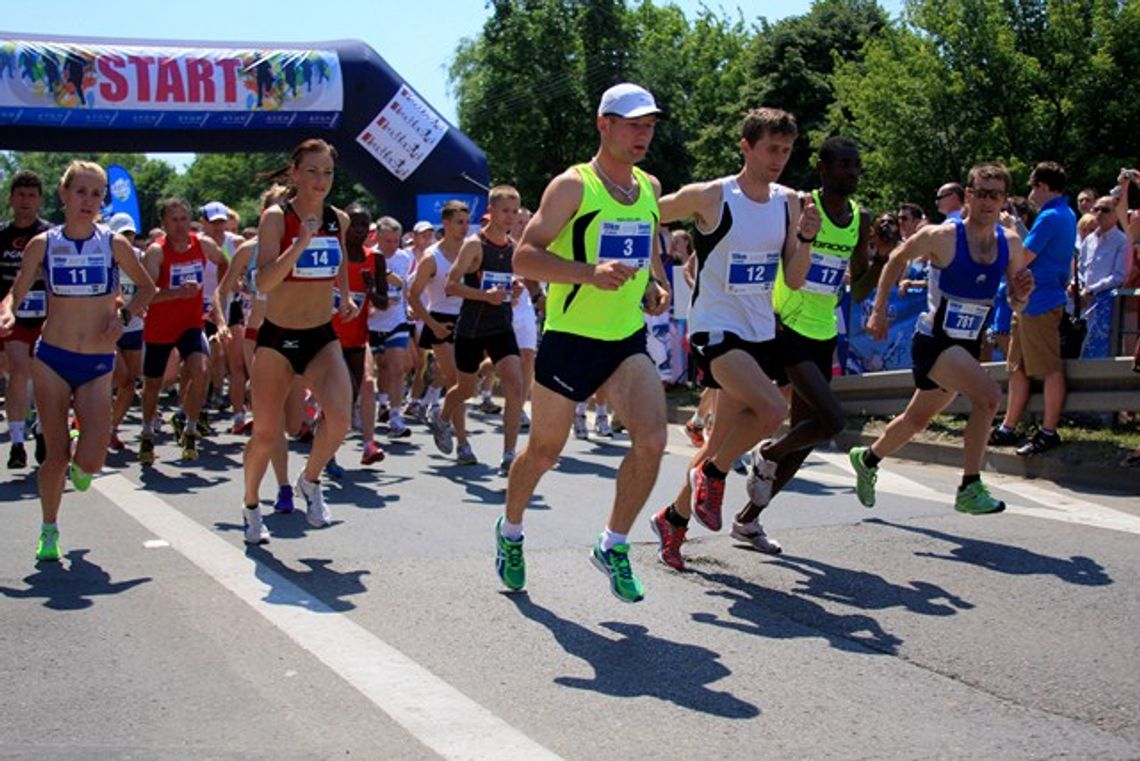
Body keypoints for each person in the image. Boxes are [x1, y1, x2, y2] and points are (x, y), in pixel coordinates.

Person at [495, 82, 672, 603]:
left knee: (653, 440)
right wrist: (588, 274)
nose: (644, 134)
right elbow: (524, 258)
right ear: (604, 125)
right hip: (570, 338)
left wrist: (656, 284)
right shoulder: (572, 186)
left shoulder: (650, 187)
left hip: (625, 340)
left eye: (650, 125)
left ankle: (613, 543)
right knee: (545, 450)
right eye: (634, 124)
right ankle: (510, 532)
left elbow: (650, 252)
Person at [645, 108, 819, 570]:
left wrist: (806, 238)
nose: (779, 159)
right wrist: (651, 273)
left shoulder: (789, 202)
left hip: (760, 331)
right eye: (770, 149)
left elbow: (796, 279)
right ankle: (714, 475)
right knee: (773, 410)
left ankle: (672, 521)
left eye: (786, 150)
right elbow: (643, 215)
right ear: (746, 146)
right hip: (715, 328)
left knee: (717, 442)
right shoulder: (713, 196)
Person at [721, 136, 880, 563]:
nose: (851, 172)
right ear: (823, 169)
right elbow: (771, 256)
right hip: (785, 325)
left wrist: (881, 257)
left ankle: (748, 518)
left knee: (806, 438)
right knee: (830, 420)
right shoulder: (800, 205)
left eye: (855, 165)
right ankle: (766, 452)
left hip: (822, 329)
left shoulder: (859, 218)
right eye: (843, 165)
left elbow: (859, 287)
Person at [850, 161, 1034, 515]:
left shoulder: (1010, 243)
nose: (987, 202)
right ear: (968, 195)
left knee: (916, 420)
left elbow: (1016, 299)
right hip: (934, 340)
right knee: (989, 397)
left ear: (1004, 200)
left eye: (995, 196)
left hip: (965, 343)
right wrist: (879, 309)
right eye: (980, 194)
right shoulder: (943, 236)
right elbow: (895, 259)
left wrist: (1022, 293)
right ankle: (969, 486)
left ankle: (868, 458)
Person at [0, 160, 155, 561]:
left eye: (96, 193)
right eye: (81, 192)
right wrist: (7, 311)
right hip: (52, 358)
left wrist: (123, 318)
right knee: (56, 456)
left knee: (91, 461)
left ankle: (79, 450)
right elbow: (14, 294)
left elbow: (147, 288)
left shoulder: (114, 243)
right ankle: (49, 529)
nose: (88, 200)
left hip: (97, 363)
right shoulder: (44, 244)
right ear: (64, 195)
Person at [242, 138, 356, 544]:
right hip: (277, 338)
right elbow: (264, 281)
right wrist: (299, 244)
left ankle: (310, 480)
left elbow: (339, 259)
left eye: (327, 172)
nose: (321, 179)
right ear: (294, 174)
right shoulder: (276, 218)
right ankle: (252, 504)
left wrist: (346, 295)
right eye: (312, 171)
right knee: (267, 434)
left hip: (321, 335)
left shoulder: (337, 219)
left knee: (341, 417)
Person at [435, 185, 526, 472]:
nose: (510, 217)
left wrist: (516, 289)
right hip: (472, 328)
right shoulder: (475, 244)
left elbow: (507, 284)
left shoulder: (513, 248)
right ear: (491, 211)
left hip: (501, 326)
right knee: (465, 388)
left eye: (514, 211)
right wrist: (485, 296)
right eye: (505, 211)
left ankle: (510, 455)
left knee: (515, 383)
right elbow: (450, 285)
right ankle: (442, 417)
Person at [989, 161, 1077, 456]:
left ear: (1042, 186)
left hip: (1040, 301)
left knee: (1049, 369)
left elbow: (1023, 256)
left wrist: (1011, 230)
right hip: (1030, 301)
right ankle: (1008, 427)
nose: (1030, 192)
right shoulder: (1064, 214)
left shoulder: (1051, 217)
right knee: (1018, 367)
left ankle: (1049, 431)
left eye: (1032, 185)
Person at [138, 198, 228, 463]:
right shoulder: (157, 252)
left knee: (201, 370)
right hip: (160, 325)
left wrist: (218, 294)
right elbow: (145, 295)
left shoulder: (203, 244)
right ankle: (146, 434)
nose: (179, 225)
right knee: (153, 384)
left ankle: (189, 428)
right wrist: (176, 293)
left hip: (191, 322)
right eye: (173, 219)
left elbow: (224, 263)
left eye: (183, 219)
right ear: (164, 223)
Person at [0, 170, 50, 470]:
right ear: (11, 198)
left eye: (32, 195)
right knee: (18, 372)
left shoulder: (49, 235)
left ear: (40, 200)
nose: (26, 201)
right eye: (21, 195)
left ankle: (44, 429)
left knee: (44, 378)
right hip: (12, 314)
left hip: (47, 316)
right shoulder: (2, 235)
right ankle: (17, 443)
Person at [408, 202, 468, 428]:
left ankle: (435, 409)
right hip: (441, 320)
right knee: (456, 380)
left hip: (468, 320)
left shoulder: (470, 251)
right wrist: (433, 325)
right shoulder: (431, 257)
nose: (464, 228)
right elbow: (413, 296)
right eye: (459, 222)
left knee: (464, 380)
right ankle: (460, 439)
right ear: (446, 223)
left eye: (466, 223)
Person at [337, 204, 385, 465]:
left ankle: (368, 444)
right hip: (329, 338)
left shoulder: (375, 259)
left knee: (363, 386)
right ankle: (329, 452)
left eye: (364, 226)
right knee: (341, 395)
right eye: (354, 225)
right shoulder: (333, 255)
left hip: (357, 337)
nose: (359, 230)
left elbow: (384, 301)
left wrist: (370, 288)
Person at [366, 216, 414, 440]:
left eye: (396, 241)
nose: (392, 246)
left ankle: (396, 417)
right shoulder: (368, 256)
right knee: (379, 368)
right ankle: (377, 405)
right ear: (377, 238)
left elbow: (404, 286)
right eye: (387, 241)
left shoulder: (404, 257)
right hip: (370, 323)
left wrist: (408, 305)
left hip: (397, 320)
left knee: (396, 367)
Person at [106, 212, 146, 451]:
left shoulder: (140, 257)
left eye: (130, 234)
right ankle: (93, 421)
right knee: (115, 376)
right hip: (109, 326)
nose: (127, 238)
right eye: (123, 234)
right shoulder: (105, 256)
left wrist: (141, 306)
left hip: (133, 326)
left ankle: (112, 427)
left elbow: (149, 287)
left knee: (129, 382)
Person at [1076, 196, 1130, 358]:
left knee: (1102, 351)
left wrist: (1091, 290)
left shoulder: (1122, 241)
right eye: (1096, 209)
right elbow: (1081, 268)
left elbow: (1119, 276)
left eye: (1105, 210)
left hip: (1107, 304)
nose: (1099, 213)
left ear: (1116, 214)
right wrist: (1078, 286)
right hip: (1083, 302)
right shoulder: (1088, 241)